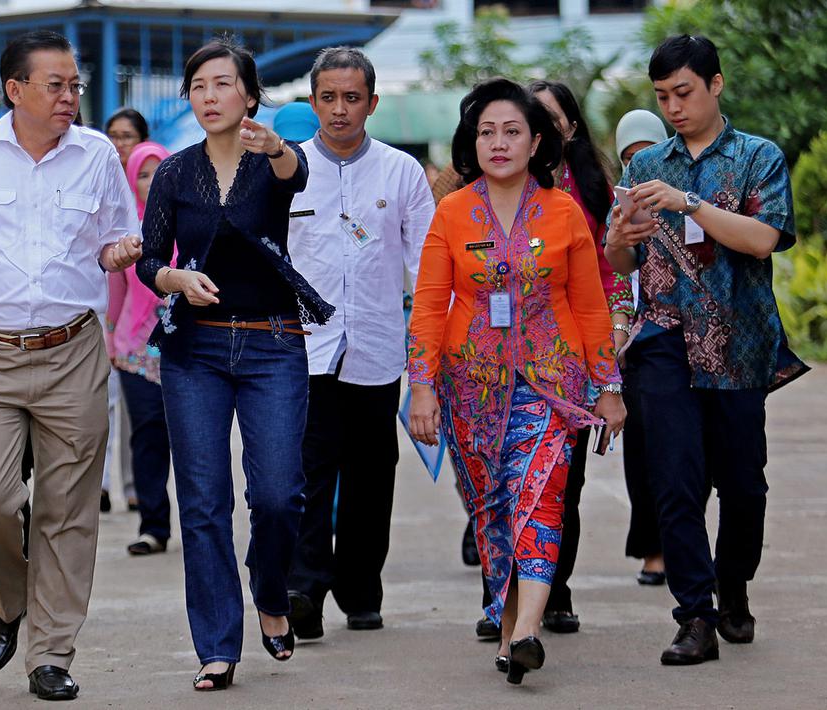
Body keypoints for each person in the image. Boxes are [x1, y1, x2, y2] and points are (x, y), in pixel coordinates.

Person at [0, 30, 142, 701]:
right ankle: (9, 602)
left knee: (68, 512)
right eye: (56, 85)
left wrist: (122, 253)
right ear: (15, 90)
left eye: (75, 85)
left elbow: (108, 244)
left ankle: (50, 652)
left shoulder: (97, 155)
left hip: (72, 352)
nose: (71, 96)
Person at [407, 78, 625, 685]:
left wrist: (606, 386)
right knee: (495, 507)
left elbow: (588, 305)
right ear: (471, 141)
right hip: (470, 386)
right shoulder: (451, 212)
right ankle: (508, 632)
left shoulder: (565, 213)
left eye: (512, 131)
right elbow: (428, 306)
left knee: (544, 497)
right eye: (486, 132)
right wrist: (422, 386)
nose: (498, 142)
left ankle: (528, 628)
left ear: (537, 143)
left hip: (551, 382)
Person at [603, 35, 808, 666]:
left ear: (715, 85)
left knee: (743, 485)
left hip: (739, 342)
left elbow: (763, 239)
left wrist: (689, 201)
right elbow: (622, 260)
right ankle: (694, 615)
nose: (673, 107)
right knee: (675, 481)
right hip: (663, 338)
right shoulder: (642, 167)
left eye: (684, 93)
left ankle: (734, 587)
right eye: (662, 96)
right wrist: (618, 238)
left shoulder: (757, 157)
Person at [135, 38, 332, 691]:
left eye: (222, 84)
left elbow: (294, 172)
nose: (209, 96)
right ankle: (217, 645)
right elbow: (147, 260)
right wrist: (173, 279)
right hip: (196, 351)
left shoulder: (270, 159)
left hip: (273, 344)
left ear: (249, 95)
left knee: (279, 495)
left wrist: (274, 145)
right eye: (198, 86)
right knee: (201, 502)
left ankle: (269, 591)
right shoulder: (171, 172)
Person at [284, 46, 435, 639]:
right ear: (313, 99)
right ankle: (305, 589)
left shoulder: (402, 172)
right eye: (328, 97)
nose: (340, 110)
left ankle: (361, 590)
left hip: (376, 347)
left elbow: (427, 271)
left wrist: (429, 355)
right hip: (303, 349)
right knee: (307, 472)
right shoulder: (285, 168)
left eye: (352, 98)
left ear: (372, 102)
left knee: (372, 475)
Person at [528, 79, 635, 635]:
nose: (543, 129)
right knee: (502, 483)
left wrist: (612, 347)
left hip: (572, 358)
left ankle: (556, 589)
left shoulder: (596, 192)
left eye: (552, 117)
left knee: (562, 482)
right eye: (532, 117)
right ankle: (501, 596)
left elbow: (610, 274)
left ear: (571, 125)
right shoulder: (500, 187)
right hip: (506, 359)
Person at [612, 108, 672, 586]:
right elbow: (614, 272)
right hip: (636, 345)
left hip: (690, 341)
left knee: (689, 455)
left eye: (649, 153)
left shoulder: (689, 198)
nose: (641, 165)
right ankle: (653, 549)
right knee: (644, 452)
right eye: (630, 158)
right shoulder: (616, 207)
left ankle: (681, 544)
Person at [106, 139, 174, 555]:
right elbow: (115, 290)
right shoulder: (126, 230)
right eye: (143, 174)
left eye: (159, 171)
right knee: (147, 436)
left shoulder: (190, 221)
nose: (151, 181)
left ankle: (204, 526)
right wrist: (111, 338)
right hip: (135, 348)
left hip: (186, 347)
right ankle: (153, 526)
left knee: (192, 439)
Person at [100, 107, 149, 513]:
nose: (119, 144)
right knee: (102, 400)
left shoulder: (154, 195)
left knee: (137, 409)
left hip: (140, 323)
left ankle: (135, 487)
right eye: (113, 135)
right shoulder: (99, 185)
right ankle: (98, 483)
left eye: (127, 136)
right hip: (99, 308)